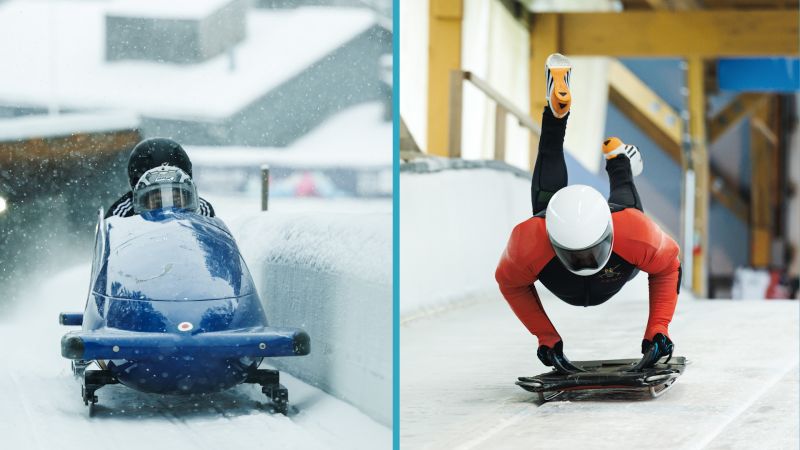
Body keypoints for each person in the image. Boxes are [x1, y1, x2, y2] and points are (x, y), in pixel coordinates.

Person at [495, 54, 681, 373]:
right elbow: (509, 283)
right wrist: (545, 337)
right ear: (555, 241)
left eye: (590, 253)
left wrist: (659, 330)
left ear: (607, 234)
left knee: (620, 196)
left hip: (614, 232)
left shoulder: (634, 232)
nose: (585, 263)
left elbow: (668, 267)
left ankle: (610, 154)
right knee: (599, 199)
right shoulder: (530, 240)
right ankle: (603, 147)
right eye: (576, 255)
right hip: (570, 234)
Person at [106, 137, 215, 218]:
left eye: (176, 200)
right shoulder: (121, 214)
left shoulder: (203, 209)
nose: (168, 209)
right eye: (157, 200)